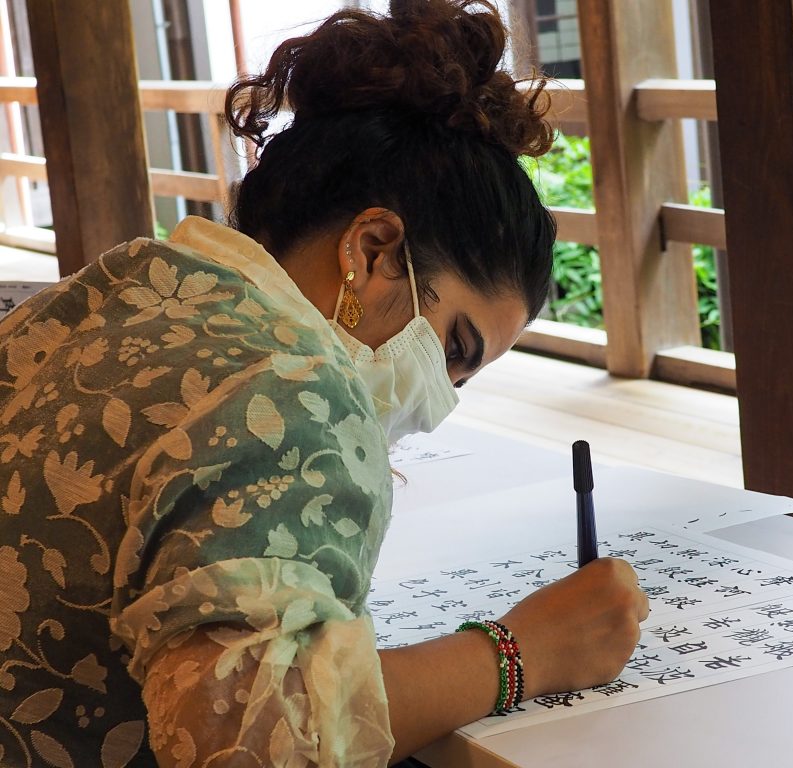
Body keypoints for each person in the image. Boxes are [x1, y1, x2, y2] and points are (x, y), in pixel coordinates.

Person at [0, 1, 648, 764]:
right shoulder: (294, 392)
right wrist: (520, 652)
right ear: (374, 249)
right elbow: (264, 742)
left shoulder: (109, 291)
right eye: (452, 349)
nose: (436, 403)